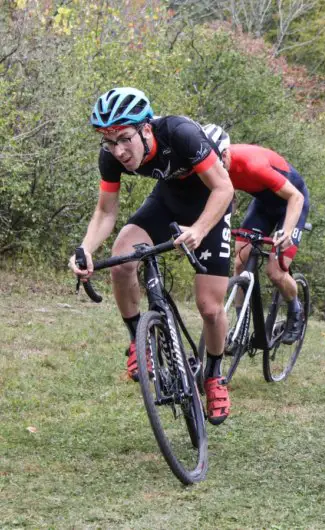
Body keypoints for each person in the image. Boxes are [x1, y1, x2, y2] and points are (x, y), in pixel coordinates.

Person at [69, 88, 234, 425]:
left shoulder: (180, 133)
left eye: (125, 139)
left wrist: (200, 229)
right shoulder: (111, 156)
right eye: (109, 142)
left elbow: (224, 188)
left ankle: (215, 375)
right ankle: (138, 342)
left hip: (211, 206)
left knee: (209, 307)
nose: (119, 150)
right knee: (121, 261)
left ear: (146, 128)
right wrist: (86, 248)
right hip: (168, 202)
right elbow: (105, 212)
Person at [202, 125, 309, 344]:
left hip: (292, 204)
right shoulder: (213, 165)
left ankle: (296, 310)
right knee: (240, 261)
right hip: (263, 205)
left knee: (276, 271)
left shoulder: (254, 165)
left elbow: (295, 198)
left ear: (225, 155)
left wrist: (287, 231)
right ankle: (241, 325)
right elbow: (223, 197)